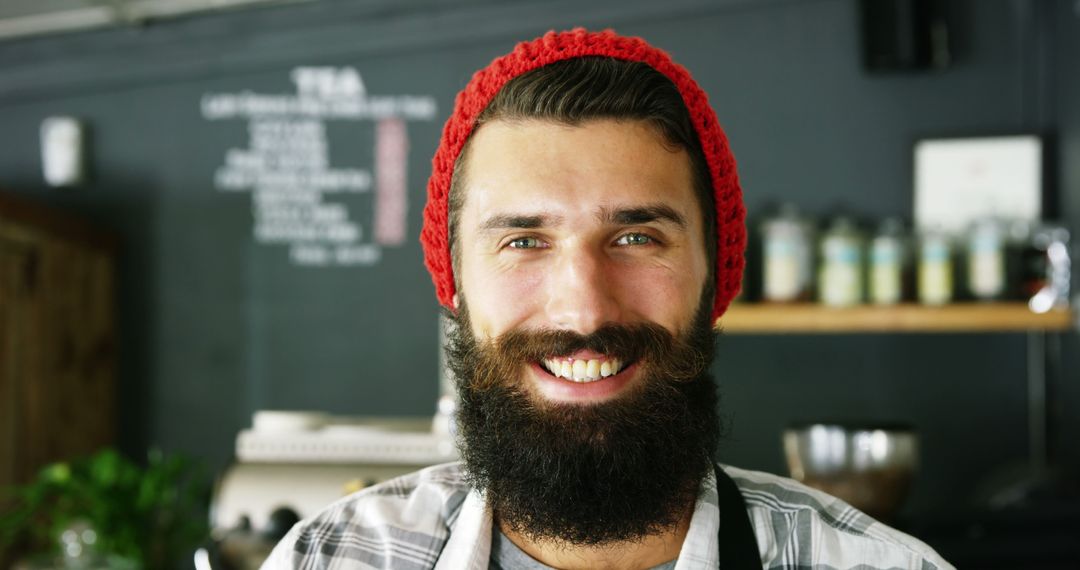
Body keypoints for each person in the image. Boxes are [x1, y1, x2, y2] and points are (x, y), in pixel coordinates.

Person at [263, 29, 953, 570]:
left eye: (635, 237)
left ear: (716, 274)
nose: (584, 310)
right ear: (456, 283)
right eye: (524, 242)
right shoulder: (330, 560)